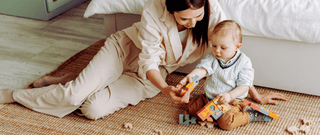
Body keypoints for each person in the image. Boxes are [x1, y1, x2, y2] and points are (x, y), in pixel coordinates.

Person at [0, 0, 287, 120]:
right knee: (75, 94)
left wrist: (256, 96)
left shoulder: (214, 14)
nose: (193, 23)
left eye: (198, 16)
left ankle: (71, 81)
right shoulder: (153, 8)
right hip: (126, 52)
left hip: (153, 75)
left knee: (91, 108)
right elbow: (148, 60)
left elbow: (235, 60)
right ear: (170, 8)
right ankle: (16, 95)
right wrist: (166, 90)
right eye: (185, 18)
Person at [177, 20, 281, 130]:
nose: (217, 51)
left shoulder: (244, 62)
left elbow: (245, 85)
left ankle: (249, 115)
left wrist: (230, 96)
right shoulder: (212, 56)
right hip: (209, 98)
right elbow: (203, 69)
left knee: (226, 123)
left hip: (232, 101)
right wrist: (192, 76)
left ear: (237, 46)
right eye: (214, 45)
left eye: (223, 47)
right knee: (187, 115)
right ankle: (206, 109)